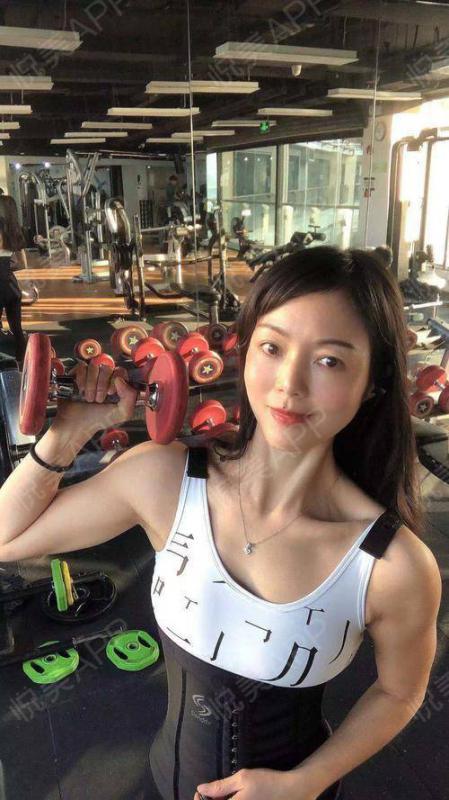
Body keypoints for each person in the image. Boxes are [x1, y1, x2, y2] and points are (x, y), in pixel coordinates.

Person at [0, 246, 441, 800]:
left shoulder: (392, 566)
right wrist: (67, 434)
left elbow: (399, 693)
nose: (289, 384)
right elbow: (7, 538)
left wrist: (306, 782)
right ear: (246, 351)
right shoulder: (163, 480)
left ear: (373, 381)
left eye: (329, 360)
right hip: (167, 779)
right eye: (272, 347)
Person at [0, 194, 28, 363]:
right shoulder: (14, 230)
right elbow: (22, 264)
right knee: (17, 329)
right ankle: (23, 361)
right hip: (11, 286)